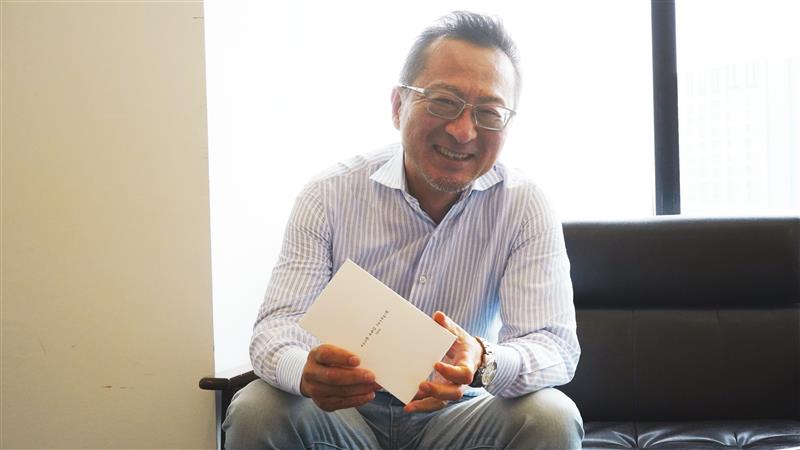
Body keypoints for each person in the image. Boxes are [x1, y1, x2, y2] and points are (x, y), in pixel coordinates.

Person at [223, 11, 583, 450]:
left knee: (551, 416)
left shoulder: (524, 205)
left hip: (460, 413)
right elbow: (276, 328)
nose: (463, 131)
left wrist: (483, 360)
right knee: (257, 408)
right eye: (444, 101)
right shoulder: (329, 194)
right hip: (343, 413)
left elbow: (554, 347)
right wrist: (306, 372)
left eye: (489, 113)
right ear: (398, 106)